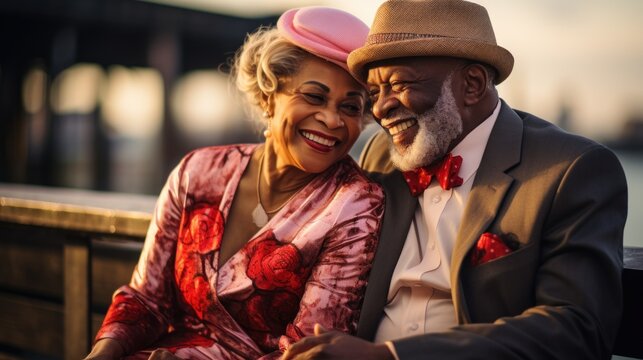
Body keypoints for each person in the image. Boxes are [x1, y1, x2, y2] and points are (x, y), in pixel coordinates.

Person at [282, 1, 628, 359]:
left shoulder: (570, 169)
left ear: (472, 85)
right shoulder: (380, 158)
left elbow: (576, 329)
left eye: (398, 84)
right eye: (374, 93)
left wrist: (388, 356)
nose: (381, 109)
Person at [84, 6, 384, 360]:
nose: (332, 119)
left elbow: (308, 351)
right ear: (270, 96)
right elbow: (147, 300)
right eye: (315, 97)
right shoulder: (198, 171)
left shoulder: (356, 205)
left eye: (351, 108)